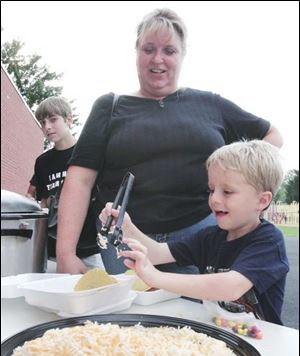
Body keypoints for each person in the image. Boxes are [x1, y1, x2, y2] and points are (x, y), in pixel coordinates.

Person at [56, 8, 283, 275]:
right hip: (122, 237)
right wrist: (65, 254)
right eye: (148, 48)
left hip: (201, 235)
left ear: (182, 54)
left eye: (169, 51)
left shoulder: (210, 104)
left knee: (202, 313)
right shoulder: (110, 107)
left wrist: (248, 187)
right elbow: (79, 181)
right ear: (136, 51)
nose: (158, 58)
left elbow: (272, 136)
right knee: (130, 315)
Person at [100, 140, 289, 325]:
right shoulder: (209, 237)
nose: (214, 199)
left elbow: (231, 287)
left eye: (227, 192)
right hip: (220, 335)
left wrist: (156, 277)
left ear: (262, 201)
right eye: (211, 189)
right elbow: (158, 253)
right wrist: (126, 227)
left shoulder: (269, 241)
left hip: (262, 340)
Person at [27, 96, 103, 270]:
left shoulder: (89, 153)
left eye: (53, 119)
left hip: (92, 247)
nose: (47, 127)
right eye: (42, 122)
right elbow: (42, 201)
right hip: (54, 251)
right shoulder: (42, 162)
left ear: (69, 119)